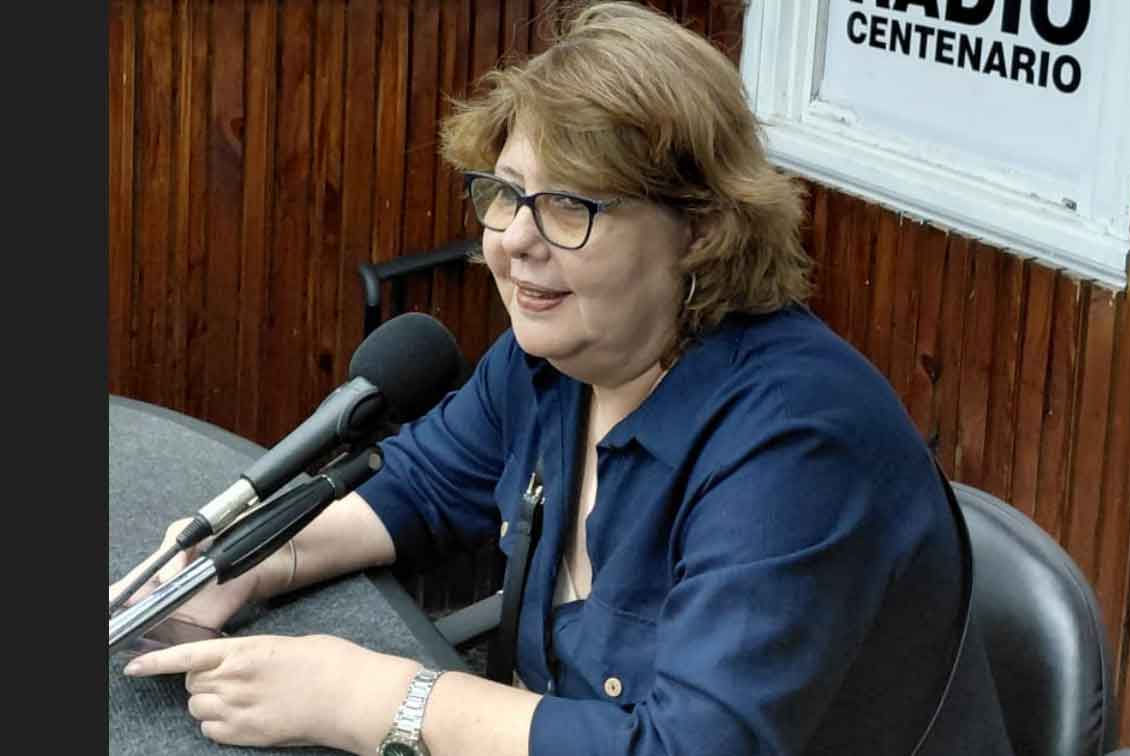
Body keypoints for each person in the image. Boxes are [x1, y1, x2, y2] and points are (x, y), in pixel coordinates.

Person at [110, 3, 1014, 754]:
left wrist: (373, 699)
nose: (513, 240)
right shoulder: (560, 356)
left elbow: (689, 747)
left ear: (700, 228)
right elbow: (422, 487)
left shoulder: (798, 444)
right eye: (505, 193)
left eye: (570, 206)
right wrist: (240, 566)